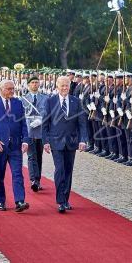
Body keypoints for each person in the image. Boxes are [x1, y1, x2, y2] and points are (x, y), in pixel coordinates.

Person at [0, 79, 30, 213]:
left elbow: (23, 124)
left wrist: (25, 140)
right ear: (1, 89)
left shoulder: (18, 104)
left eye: (13, 89)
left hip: (15, 146)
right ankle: (1, 201)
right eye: (9, 89)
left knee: (17, 174)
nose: (12, 91)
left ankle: (20, 201)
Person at [42, 76, 88, 213]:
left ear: (70, 86)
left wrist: (82, 140)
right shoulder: (50, 101)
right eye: (62, 86)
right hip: (55, 141)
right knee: (60, 170)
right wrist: (45, 142)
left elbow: (82, 123)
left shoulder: (76, 101)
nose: (64, 88)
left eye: (66, 86)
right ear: (57, 86)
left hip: (71, 142)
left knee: (68, 171)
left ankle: (66, 199)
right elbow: (45, 124)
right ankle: (60, 201)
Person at [21, 76, 48, 193]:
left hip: (41, 130)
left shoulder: (45, 98)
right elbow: (21, 115)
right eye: (32, 82)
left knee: (39, 156)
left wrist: (41, 119)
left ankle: (38, 179)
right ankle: (33, 181)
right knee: (31, 156)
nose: (35, 84)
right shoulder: (23, 98)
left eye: (37, 82)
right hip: (29, 130)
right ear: (28, 85)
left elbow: (47, 111)